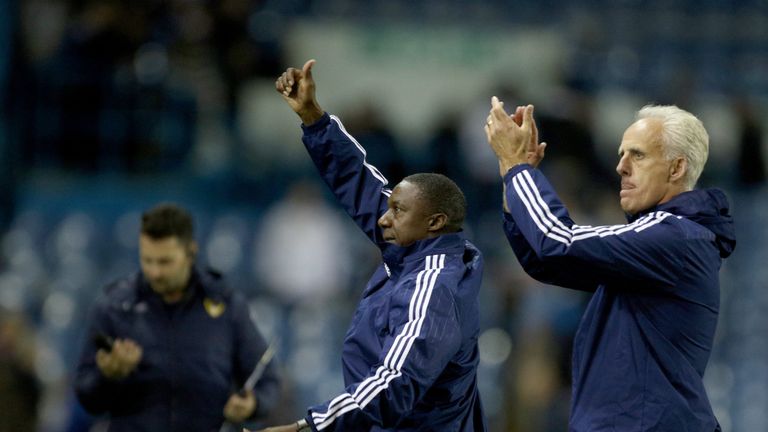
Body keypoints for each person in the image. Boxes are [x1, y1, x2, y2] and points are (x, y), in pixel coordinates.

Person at [254, 59, 487, 432]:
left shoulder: (434, 288)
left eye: (397, 210)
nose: (383, 218)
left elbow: (395, 383)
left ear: (434, 222)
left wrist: (308, 427)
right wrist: (314, 117)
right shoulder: (417, 250)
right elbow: (358, 180)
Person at [485, 98, 735, 431]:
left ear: (676, 169)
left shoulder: (674, 237)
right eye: (621, 154)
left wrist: (517, 167)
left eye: (638, 155)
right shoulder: (661, 240)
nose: (621, 166)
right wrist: (513, 173)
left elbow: (558, 242)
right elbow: (546, 263)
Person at [74, 203, 280, 431]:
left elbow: (266, 379)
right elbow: (86, 397)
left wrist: (253, 405)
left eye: (165, 262)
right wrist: (108, 376)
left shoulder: (227, 306)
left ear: (190, 252)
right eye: (147, 260)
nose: (155, 272)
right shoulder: (114, 307)